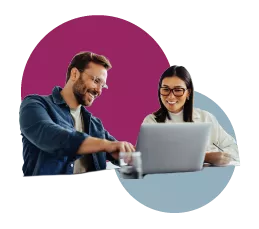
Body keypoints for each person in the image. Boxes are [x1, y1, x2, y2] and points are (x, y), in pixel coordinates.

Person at [19, 51, 135, 177]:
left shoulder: (95, 124)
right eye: (96, 81)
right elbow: (51, 136)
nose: (99, 91)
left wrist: (130, 154)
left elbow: (118, 150)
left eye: (103, 86)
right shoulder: (35, 104)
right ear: (75, 74)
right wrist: (105, 145)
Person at [142, 65, 240, 166]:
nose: (171, 96)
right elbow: (147, 157)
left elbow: (233, 149)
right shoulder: (151, 121)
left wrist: (221, 156)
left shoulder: (205, 117)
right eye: (165, 89)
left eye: (178, 90)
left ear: (188, 93)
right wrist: (206, 157)